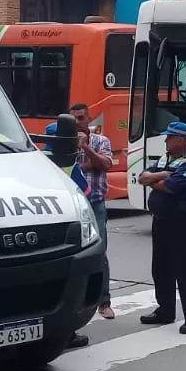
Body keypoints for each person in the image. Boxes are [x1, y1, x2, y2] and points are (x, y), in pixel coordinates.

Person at [137, 121, 186, 334]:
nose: (165, 140)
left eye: (170, 137)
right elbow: (141, 177)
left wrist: (157, 179)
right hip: (161, 220)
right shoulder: (166, 158)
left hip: (181, 222)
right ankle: (165, 310)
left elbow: (171, 187)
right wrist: (163, 175)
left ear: (182, 140)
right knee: (161, 267)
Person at [44, 122, 91, 349]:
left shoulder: (36, 158)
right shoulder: (68, 163)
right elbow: (86, 191)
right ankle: (68, 333)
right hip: (64, 231)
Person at [69, 103, 115, 320]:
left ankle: (104, 302)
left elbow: (106, 164)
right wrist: (88, 165)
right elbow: (65, 168)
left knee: (100, 252)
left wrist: (86, 148)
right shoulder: (65, 142)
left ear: (88, 119)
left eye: (80, 118)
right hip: (72, 207)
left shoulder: (101, 141)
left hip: (95, 203)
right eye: (73, 119)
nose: (77, 122)